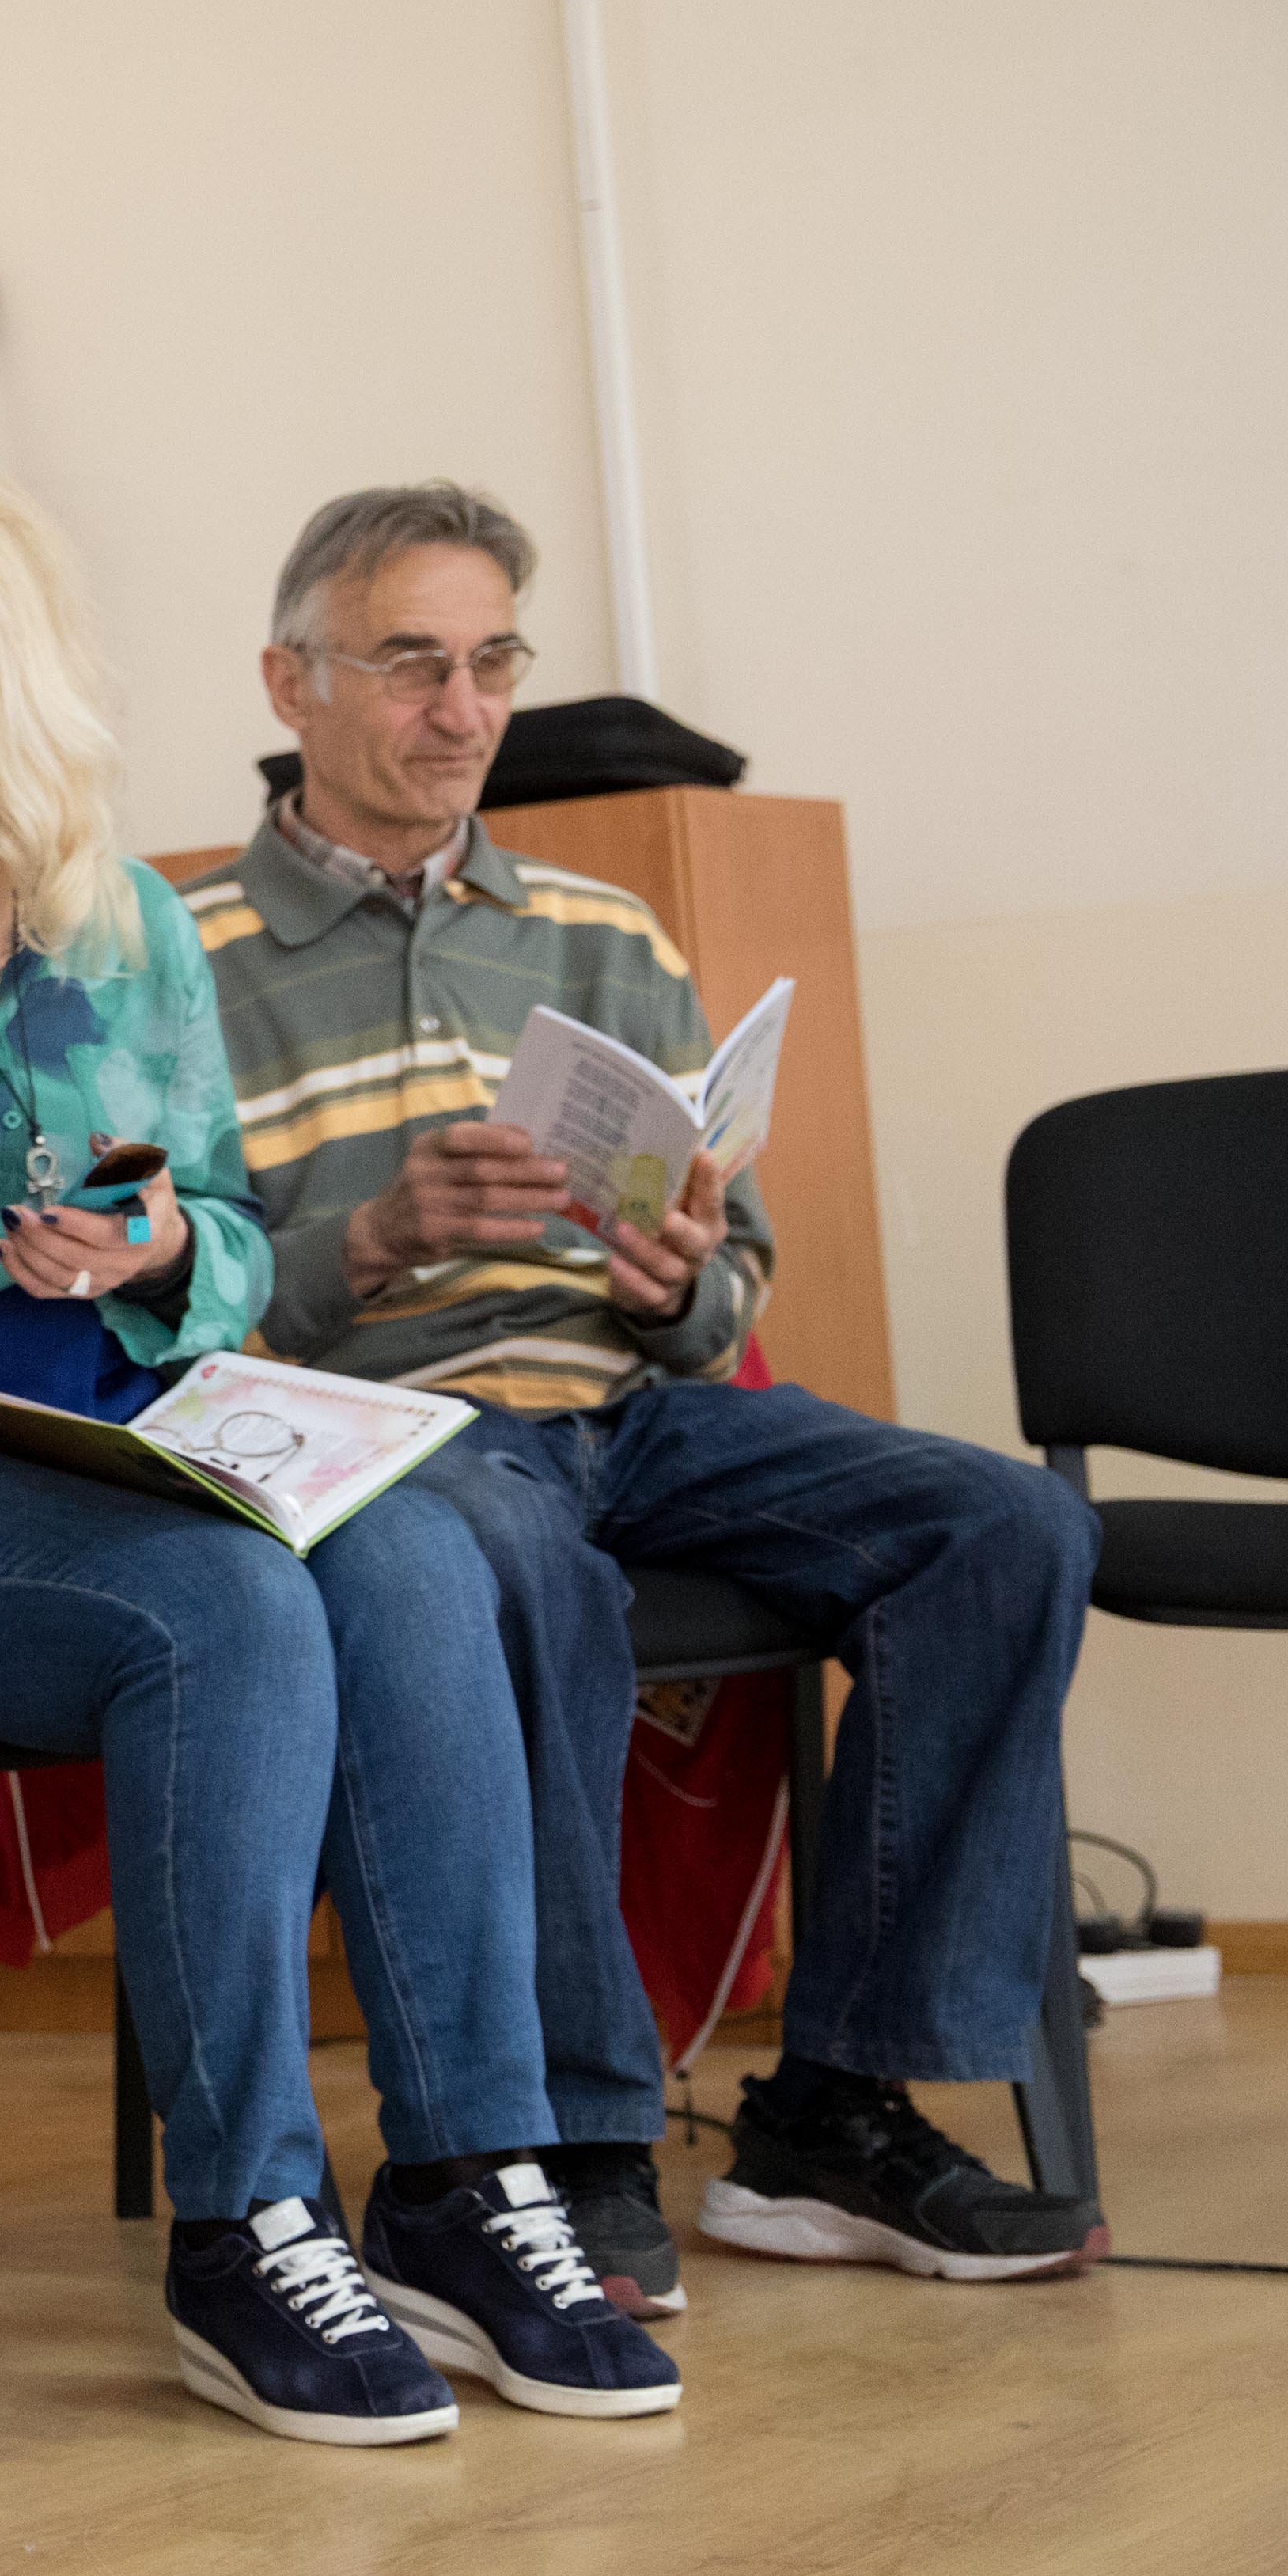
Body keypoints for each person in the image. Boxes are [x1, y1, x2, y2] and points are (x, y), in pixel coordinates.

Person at [0, 451, 674, 2445]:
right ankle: (247, 2218)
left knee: (417, 1548)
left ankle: (466, 2171)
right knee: (215, 1601)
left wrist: (153, 1249)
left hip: (73, 1409)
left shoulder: (124, 915)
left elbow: (226, 1233)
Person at [190, 481, 1103, 2304]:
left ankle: (834, 2106)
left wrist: (681, 1278)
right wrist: (369, 1236)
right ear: (291, 682)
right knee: (515, 1561)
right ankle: (568, 2132)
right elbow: (158, 1300)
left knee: (1005, 1524)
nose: (463, 709)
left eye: (493, 662)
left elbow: (730, 1266)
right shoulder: (171, 949)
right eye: (413, 663)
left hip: (625, 1402)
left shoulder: (605, 931)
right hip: (386, 1425)